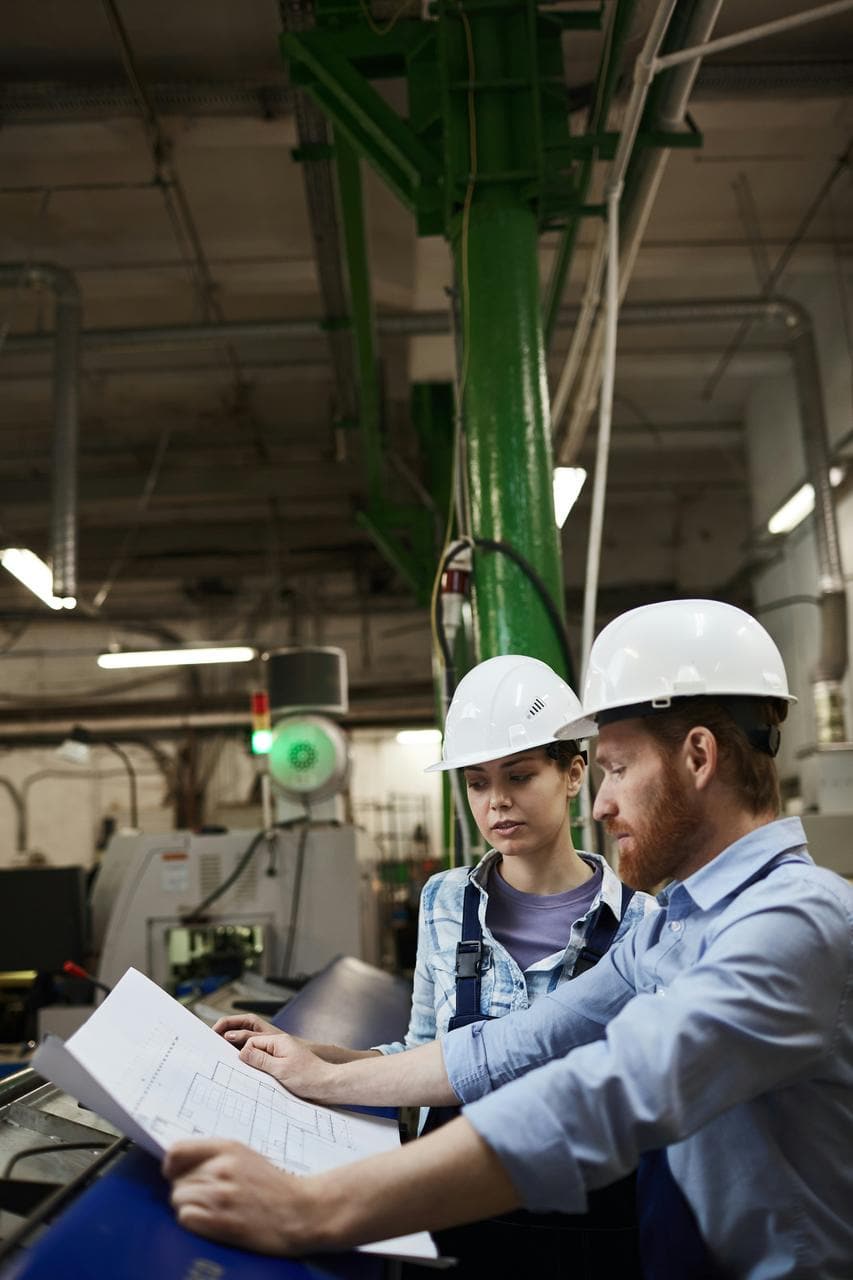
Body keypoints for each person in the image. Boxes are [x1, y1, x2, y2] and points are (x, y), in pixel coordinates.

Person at [165, 600, 853, 1280]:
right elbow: (519, 1043)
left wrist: (311, 1208)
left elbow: (605, 1099)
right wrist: (324, 1074)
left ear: (697, 756)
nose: (603, 803)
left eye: (614, 768)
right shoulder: (680, 920)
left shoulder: (791, 924)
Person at [212, 655, 656, 1275]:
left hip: (591, 1224)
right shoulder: (446, 901)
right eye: (476, 783)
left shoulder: (644, 924)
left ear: (575, 773)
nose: (497, 802)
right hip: (455, 1214)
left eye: (521, 776)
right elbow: (424, 1053)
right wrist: (307, 1054)